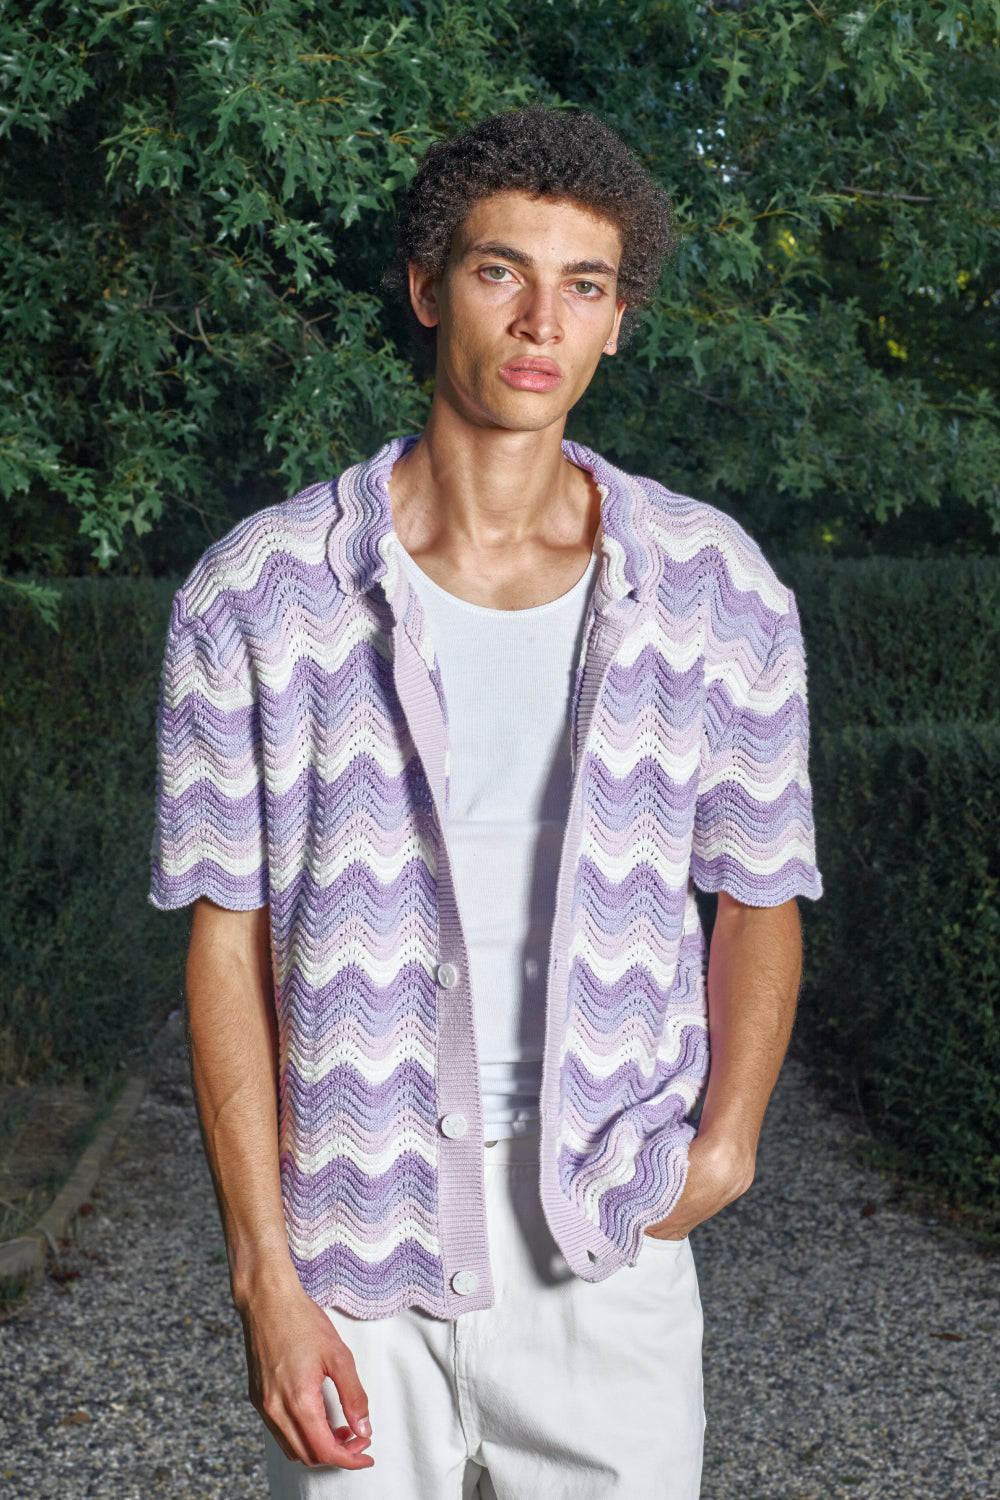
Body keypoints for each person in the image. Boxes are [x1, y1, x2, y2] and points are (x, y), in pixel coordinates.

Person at [151, 105, 821, 1499]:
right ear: (425, 287)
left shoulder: (717, 591)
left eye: (585, 285)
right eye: (500, 271)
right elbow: (224, 944)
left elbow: (760, 893)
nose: (540, 322)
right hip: (350, 1251)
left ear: (618, 322)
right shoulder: (258, 594)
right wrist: (265, 1278)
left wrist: (728, 1143)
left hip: (604, 1248)